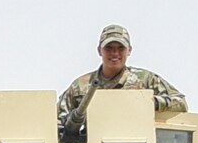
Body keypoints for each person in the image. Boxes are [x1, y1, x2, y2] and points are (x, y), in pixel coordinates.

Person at [57, 25, 187, 135]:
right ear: (99, 51)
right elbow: (57, 120)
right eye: (109, 48)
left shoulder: (145, 80)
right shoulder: (81, 86)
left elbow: (181, 103)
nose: (115, 53)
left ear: (129, 51)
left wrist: (152, 103)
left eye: (121, 48)